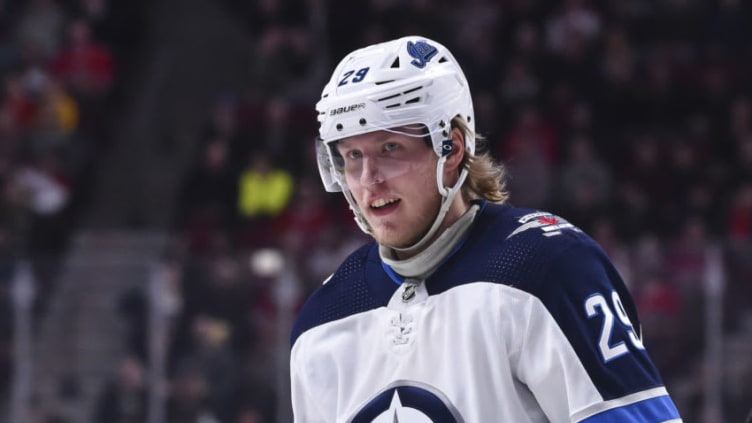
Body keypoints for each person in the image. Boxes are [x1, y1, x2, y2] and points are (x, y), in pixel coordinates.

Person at [290, 35, 682, 422]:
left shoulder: (549, 268)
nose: (368, 179)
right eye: (352, 155)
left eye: (390, 148)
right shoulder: (321, 323)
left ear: (452, 148)